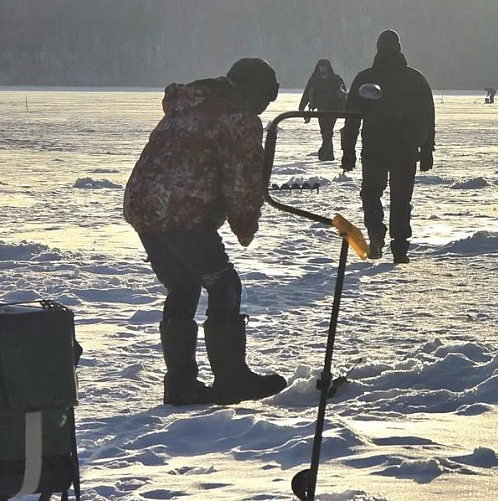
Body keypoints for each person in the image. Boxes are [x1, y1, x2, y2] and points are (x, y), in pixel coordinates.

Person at [123, 58, 286, 406]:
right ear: (254, 92)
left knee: (184, 284)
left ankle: (181, 384)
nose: (263, 107)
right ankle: (231, 379)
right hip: (183, 212)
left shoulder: (189, 104)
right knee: (224, 284)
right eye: (265, 99)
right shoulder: (237, 118)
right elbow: (242, 181)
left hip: (143, 206)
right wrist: (245, 226)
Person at [342, 29, 436, 264]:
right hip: (405, 148)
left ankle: (376, 233)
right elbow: (428, 116)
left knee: (372, 193)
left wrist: (348, 150)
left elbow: (351, 118)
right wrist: (427, 149)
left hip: (376, 145)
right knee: (401, 198)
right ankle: (400, 247)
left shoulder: (366, 78)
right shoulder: (415, 79)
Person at [299, 58, 347, 161]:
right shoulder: (314, 80)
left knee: (327, 130)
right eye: (321, 66)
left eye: (324, 66)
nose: (323, 69)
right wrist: (302, 107)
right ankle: (328, 155)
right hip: (321, 109)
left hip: (333, 109)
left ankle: (324, 152)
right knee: (324, 131)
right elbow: (307, 93)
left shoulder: (336, 79)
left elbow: (344, 93)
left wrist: (345, 106)